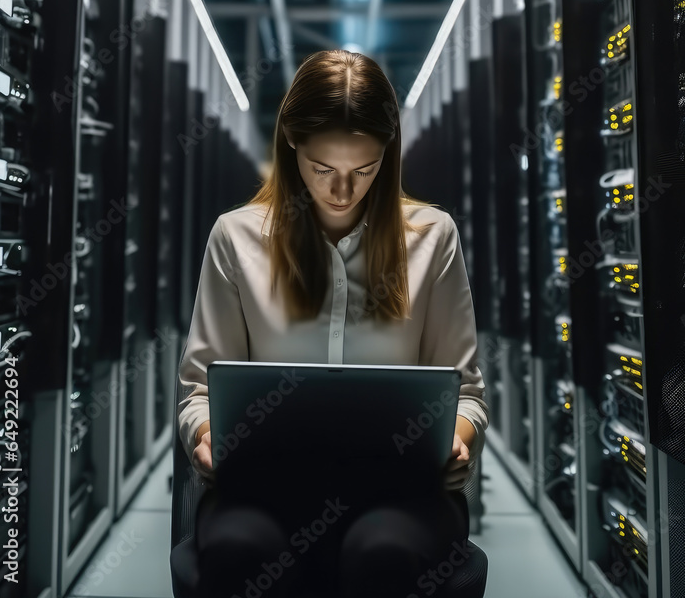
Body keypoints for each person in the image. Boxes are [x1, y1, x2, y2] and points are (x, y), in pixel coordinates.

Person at [176, 49, 489, 598]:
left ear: (386, 156)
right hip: (264, 491)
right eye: (323, 169)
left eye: (363, 171)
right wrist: (205, 435)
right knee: (241, 552)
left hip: (400, 493)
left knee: (383, 552)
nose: (342, 192)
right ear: (291, 141)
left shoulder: (433, 237)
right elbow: (199, 393)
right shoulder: (235, 238)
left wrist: (457, 440)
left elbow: (467, 395)